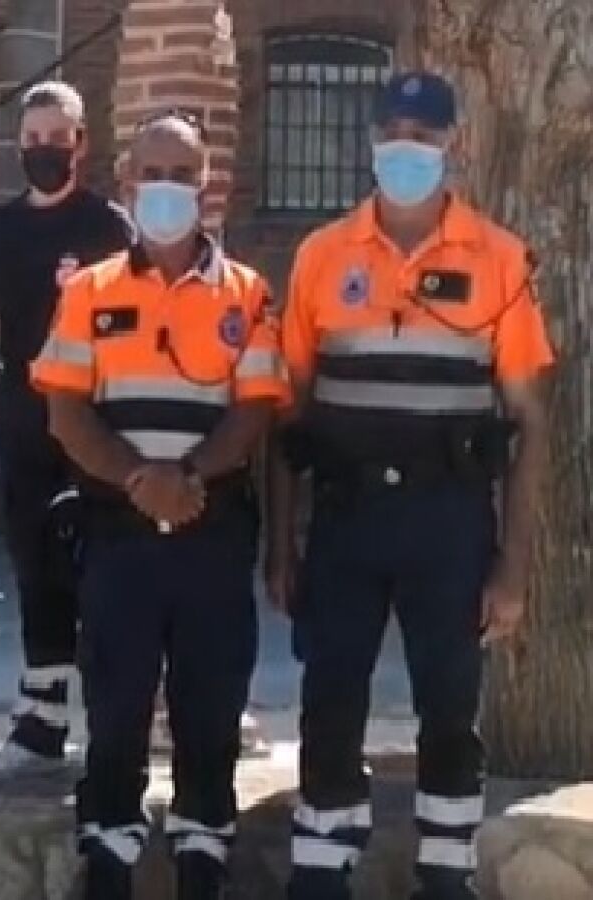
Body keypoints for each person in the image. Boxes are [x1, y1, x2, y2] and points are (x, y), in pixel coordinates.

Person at [270, 72, 553, 900]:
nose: (407, 148)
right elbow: (288, 410)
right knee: (330, 693)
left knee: (449, 702)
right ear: (370, 139)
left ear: (452, 143)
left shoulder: (499, 259)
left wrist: (513, 566)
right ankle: (321, 866)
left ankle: (446, 869)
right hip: (347, 517)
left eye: (424, 135)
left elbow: (529, 419)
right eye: (393, 131)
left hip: (449, 519)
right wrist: (281, 544)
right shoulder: (322, 256)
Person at [32, 111, 285, 900]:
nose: (167, 189)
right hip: (119, 532)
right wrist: (141, 478)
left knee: (211, 699)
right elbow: (66, 411)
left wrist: (189, 477)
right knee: (117, 699)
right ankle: (109, 847)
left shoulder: (248, 294)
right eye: (153, 174)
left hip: (213, 528)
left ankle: (202, 848)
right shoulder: (89, 292)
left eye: (183, 175)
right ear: (126, 183)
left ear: (209, 186)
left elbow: (255, 409)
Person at [0, 80, 133, 779]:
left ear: (80, 143)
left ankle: (120, 718)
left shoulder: (109, 227)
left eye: (56, 138)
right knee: (36, 564)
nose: (44, 150)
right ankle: (42, 721)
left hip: (96, 417)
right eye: (33, 139)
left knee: (104, 565)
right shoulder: (0, 230)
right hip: (24, 415)